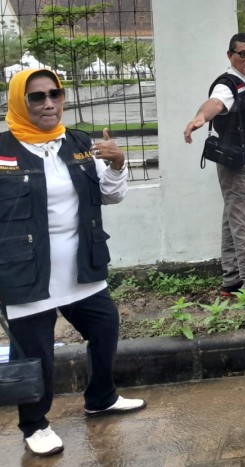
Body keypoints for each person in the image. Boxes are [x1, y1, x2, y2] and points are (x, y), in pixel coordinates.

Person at [0, 69, 145, 458]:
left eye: (55, 94)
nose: (49, 103)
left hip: (80, 265)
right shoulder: (3, 150)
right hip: (26, 271)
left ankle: (101, 397)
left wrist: (117, 165)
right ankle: (35, 424)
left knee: (105, 326)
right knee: (36, 352)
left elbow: (110, 196)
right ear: (19, 102)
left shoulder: (78, 143)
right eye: (37, 97)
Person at [183, 33, 245, 313]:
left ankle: (232, 282)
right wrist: (201, 117)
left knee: (232, 221)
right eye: (244, 54)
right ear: (231, 55)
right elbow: (216, 103)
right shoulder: (227, 85)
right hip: (241, 166)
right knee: (244, 226)